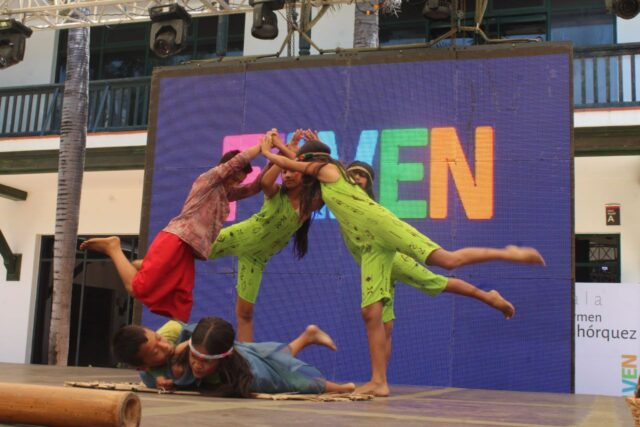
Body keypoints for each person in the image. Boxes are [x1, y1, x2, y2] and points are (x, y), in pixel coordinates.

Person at [260, 131, 545, 397]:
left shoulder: (329, 171)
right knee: (371, 313)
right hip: (370, 249)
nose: (357, 177)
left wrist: (270, 151)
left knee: (447, 261)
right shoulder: (325, 183)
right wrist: (288, 149)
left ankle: (508, 254)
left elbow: (295, 164)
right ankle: (379, 381)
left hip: (385, 232)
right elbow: (298, 166)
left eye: (362, 175)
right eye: (355, 173)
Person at [80, 143, 263, 323]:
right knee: (138, 289)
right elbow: (237, 161)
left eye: (238, 181)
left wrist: (274, 160)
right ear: (225, 169)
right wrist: (262, 146)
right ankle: (113, 247)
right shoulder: (209, 180)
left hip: (189, 251)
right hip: (176, 239)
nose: (234, 183)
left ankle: (144, 265)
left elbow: (253, 188)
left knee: (181, 307)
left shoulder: (225, 194)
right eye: (233, 178)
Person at [209, 129, 323, 342]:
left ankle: (247, 356)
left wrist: (306, 151)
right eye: (284, 171)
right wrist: (285, 149)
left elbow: (323, 175)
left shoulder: (310, 204)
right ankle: (146, 267)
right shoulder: (275, 193)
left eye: (293, 171)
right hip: (239, 236)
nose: (287, 175)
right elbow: (264, 182)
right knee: (188, 250)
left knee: (245, 313)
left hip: (256, 259)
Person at [172, 316, 355, 396]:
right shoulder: (188, 344)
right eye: (194, 357)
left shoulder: (252, 376)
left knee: (286, 374)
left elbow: (290, 380)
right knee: (276, 357)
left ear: (222, 357)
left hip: (249, 363)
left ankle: (339, 387)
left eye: (205, 361)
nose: (197, 365)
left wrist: (337, 389)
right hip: (237, 349)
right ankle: (307, 336)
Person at [111, 320, 195, 389]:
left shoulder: (175, 330)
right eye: (156, 352)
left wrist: (187, 345)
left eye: (159, 338)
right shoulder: (149, 377)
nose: (166, 347)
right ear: (144, 367)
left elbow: (202, 333)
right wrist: (168, 383)